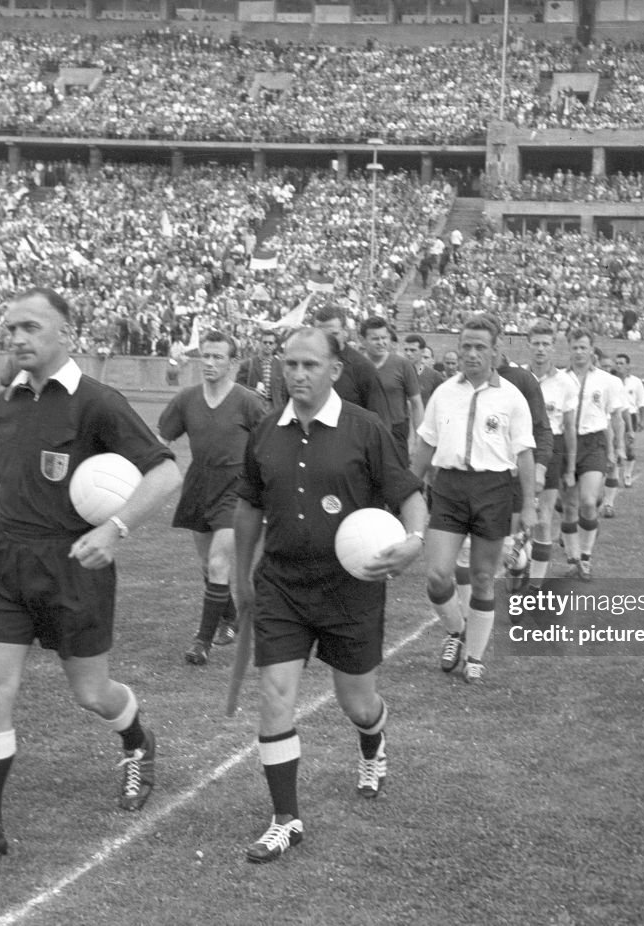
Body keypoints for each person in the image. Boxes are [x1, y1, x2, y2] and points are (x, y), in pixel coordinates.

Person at [0, 287, 181, 875]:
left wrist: (115, 529)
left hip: (74, 569)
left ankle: (137, 740)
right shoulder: (5, 402)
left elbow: (164, 470)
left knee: (92, 695)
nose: (16, 337)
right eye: (10, 326)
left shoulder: (97, 402)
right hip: (6, 562)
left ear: (65, 333)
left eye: (31, 327)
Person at [233, 327, 426, 863]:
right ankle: (285, 819)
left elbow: (408, 494)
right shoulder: (266, 429)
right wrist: (238, 570)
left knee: (357, 703)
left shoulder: (366, 429)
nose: (297, 374)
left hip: (351, 589)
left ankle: (372, 743)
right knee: (275, 695)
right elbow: (249, 505)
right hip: (282, 585)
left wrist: (414, 541)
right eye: (289, 364)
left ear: (335, 370)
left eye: (309, 365)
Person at [412, 313, 537, 682]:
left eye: (480, 347)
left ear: (495, 352)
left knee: (483, 577)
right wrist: (407, 487)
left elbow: (525, 453)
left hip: (493, 489)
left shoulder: (511, 397)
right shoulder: (444, 392)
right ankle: (456, 630)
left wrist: (528, 505)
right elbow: (426, 443)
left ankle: (476, 656)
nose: (471, 353)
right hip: (448, 487)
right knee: (437, 575)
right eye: (465, 345)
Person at [158, 330, 265, 666]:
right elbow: (161, 437)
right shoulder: (187, 399)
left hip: (237, 488)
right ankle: (230, 617)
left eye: (218, 357)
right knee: (208, 565)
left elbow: (270, 443)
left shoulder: (248, 401)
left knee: (219, 562)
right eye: (206, 355)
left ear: (233, 363)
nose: (210, 362)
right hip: (199, 484)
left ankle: (201, 641)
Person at [558, 329, 626, 581]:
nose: (578, 352)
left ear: (591, 349)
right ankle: (573, 556)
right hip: (564, 444)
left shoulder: (608, 381)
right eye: (574, 347)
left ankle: (585, 556)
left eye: (583, 347)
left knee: (588, 501)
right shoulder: (558, 379)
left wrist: (615, 448)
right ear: (569, 348)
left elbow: (615, 417)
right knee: (568, 506)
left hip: (593, 442)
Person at [523, 322, 576, 589]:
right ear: (528, 345)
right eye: (536, 343)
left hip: (552, 449)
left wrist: (569, 469)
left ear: (553, 347)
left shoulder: (565, 383)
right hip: (520, 448)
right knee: (518, 518)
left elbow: (569, 428)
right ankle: (519, 566)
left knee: (543, 520)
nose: (541, 349)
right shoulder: (518, 378)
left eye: (546, 344)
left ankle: (534, 585)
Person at [299, 305, 393, 429]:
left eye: (334, 334)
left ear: (345, 332)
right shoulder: (303, 366)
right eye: (322, 335)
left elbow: (381, 421)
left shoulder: (362, 368)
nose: (328, 340)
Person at [360, 316, 423, 465]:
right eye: (375, 339)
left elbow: (416, 403)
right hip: (364, 431)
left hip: (396, 431)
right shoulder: (357, 366)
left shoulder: (403, 365)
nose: (381, 343)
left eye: (384, 338)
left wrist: (419, 438)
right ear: (362, 340)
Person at [608, 352, 644, 497]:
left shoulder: (635, 382)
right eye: (616, 363)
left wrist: (642, 420)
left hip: (630, 415)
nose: (618, 366)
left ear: (628, 366)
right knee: (616, 445)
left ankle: (628, 474)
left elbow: (641, 403)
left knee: (630, 448)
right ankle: (616, 475)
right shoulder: (611, 380)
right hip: (615, 415)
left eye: (621, 363)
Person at [236, 328, 284, 411]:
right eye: (265, 342)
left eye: (270, 343)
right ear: (260, 344)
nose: (267, 345)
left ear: (275, 346)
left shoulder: (280, 365)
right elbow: (238, 385)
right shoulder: (248, 364)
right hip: (253, 407)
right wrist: (254, 391)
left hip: (274, 409)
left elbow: (284, 391)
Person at [402, 334, 443, 407]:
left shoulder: (435, 376)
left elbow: (440, 404)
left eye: (412, 350)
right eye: (406, 350)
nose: (408, 353)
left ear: (423, 351)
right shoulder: (397, 373)